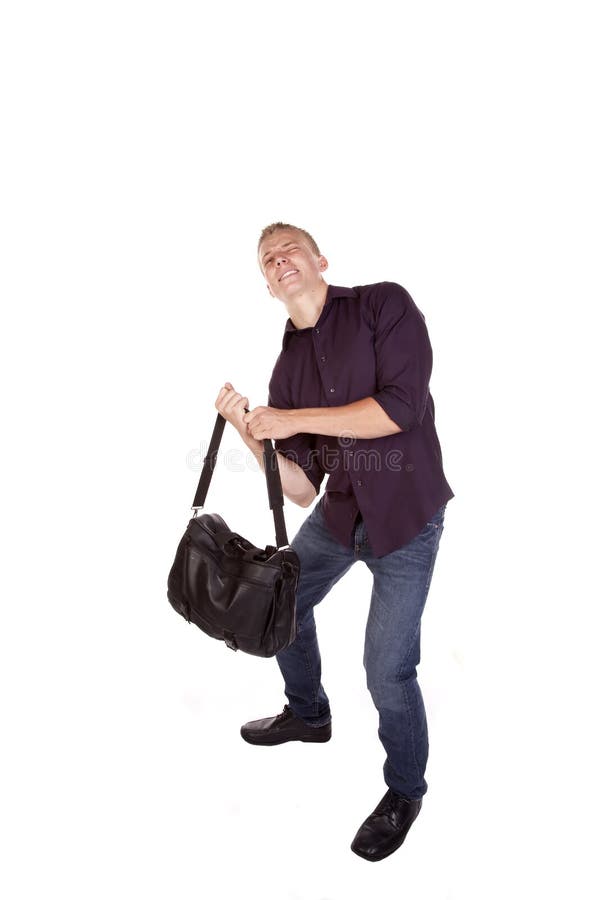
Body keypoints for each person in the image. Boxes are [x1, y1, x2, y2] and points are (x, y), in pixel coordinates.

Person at [214, 222, 454, 862]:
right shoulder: (287, 368)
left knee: (387, 669)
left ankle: (405, 791)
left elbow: (399, 409)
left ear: (320, 260)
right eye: (268, 259)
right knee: (280, 602)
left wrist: (288, 419)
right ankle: (309, 713)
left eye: (289, 248)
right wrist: (251, 433)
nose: (279, 259)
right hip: (341, 515)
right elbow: (298, 489)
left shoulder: (383, 305)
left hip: (407, 517)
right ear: (268, 287)